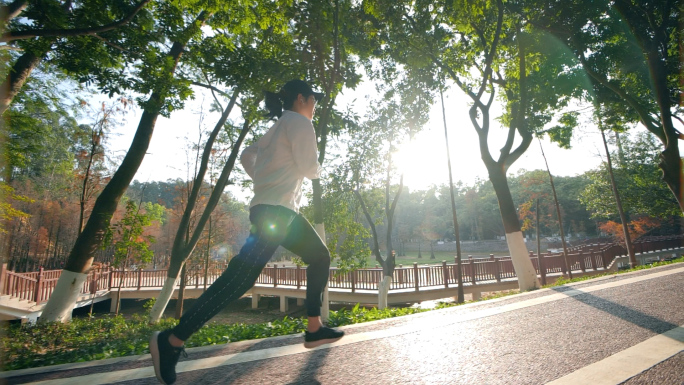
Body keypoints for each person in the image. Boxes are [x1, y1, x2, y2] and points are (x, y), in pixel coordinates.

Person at [149, 79, 344, 385]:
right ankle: (172, 340)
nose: (315, 106)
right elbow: (309, 168)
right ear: (301, 98)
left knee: (319, 256)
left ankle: (314, 326)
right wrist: (317, 168)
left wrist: (263, 181)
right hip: (276, 212)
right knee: (240, 279)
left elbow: (246, 156)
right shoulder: (300, 124)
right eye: (313, 100)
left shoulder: (276, 127)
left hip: (280, 211)